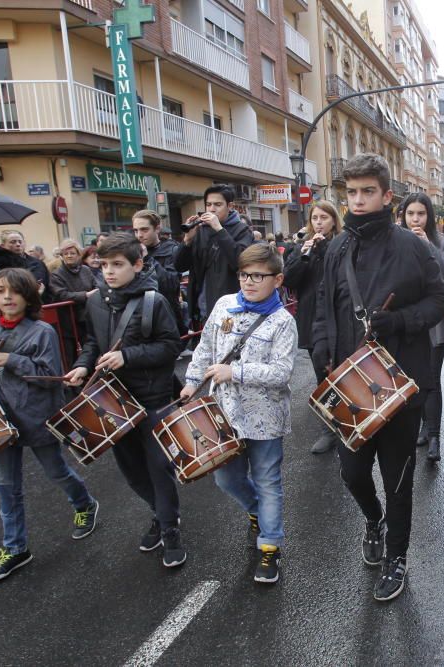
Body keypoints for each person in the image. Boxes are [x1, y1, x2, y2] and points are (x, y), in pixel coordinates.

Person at [311, 153, 444, 602]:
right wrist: (322, 355)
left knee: (397, 480)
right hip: (349, 386)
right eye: (351, 193)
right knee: (352, 474)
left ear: (387, 195)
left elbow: (441, 299)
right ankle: (373, 520)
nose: (358, 201)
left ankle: (397, 556)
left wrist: (402, 322)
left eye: (367, 191)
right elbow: (323, 309)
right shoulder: (337, 248)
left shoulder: (412, 247)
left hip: (399, 384)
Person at [62, 233, 184, 567]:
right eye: (104, 265)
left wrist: (127, 357)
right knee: (131, 470)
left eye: (118, 265)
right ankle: (158, 514)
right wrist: (82, 366)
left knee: (159, 468)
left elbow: (170, 346)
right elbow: (92, 342)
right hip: (113, 398)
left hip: (152, 396)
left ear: (138, 264)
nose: (109, 272)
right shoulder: (96, 300)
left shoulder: (153, 301)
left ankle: (171, 528)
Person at [182, 243, 297, 583]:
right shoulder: (223, 306)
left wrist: (237, 372)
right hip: (225, 414)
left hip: (265, 417)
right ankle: (256, 510)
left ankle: (269, 548)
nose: (249, 281)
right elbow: (205, 348)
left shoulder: (282, 321)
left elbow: (282, 372)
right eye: (244, 274)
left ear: (277, 280)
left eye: (258, 276)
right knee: (225, 478)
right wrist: (191, 382)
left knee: (268, 481)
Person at [0, 268, 98, 583]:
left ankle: (84, 503)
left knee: (56, 471)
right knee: (7, 486)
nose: (6, 297)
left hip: (35, 414)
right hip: (1, 420)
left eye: (14, 292)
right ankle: (15, 548)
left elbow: (49, 376)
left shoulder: (42, 331)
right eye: (0, 291)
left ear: (28, 296)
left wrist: (11, 360)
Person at [398, 193, 444, 462]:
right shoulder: (395, 242)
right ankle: (421, 427)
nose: (415, 219)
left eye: (421, 214)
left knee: (432, 380)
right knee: (411, 381)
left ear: (429, 216)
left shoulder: (439, 241)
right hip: (405, 324)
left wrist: (427, 246)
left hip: (433, 323)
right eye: (411, 214)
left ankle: (434, 435)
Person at [282, 201, 343, 454]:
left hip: (337, 316)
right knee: (321, 375)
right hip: (310, 317)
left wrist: (323, 247)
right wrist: (302, 256)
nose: (319, 222)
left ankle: (348, 421)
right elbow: (289, 280)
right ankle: (329, 428)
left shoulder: (340, 245)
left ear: (333, 221)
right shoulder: (300, 247)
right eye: (315, 218)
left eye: (324, 218)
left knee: (341, 372)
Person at [175, 185, 253, 329]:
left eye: (218, 204)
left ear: (230, 206)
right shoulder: (201, 230)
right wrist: (187, 241)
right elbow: (179, 266)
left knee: (226, 348)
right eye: (208, 204)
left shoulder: (242, 230)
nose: (211, 209)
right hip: (202, 307)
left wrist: (219, 230)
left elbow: (240, 262)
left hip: (229, 308)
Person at [132, 209, 185, 339]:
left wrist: (147, 259)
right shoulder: (131, 252)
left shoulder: (172, 249)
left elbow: (171, 284)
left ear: (157, 229)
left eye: (144, 230)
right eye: (135, 230)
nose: (139, 235)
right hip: (138, 315)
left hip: (165, 316)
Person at [49, 239, 97, 364]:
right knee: (69, 352)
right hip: (67, 319)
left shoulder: (86, 270)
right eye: (66, 254)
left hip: (86, 316)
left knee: (90, 347)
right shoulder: (56, 275)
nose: (69, 256)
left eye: (72, 253)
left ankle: (90, 374)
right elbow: (61, 294)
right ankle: (72, 379)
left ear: (78, 254)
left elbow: (96, 285)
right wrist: (85, 295)